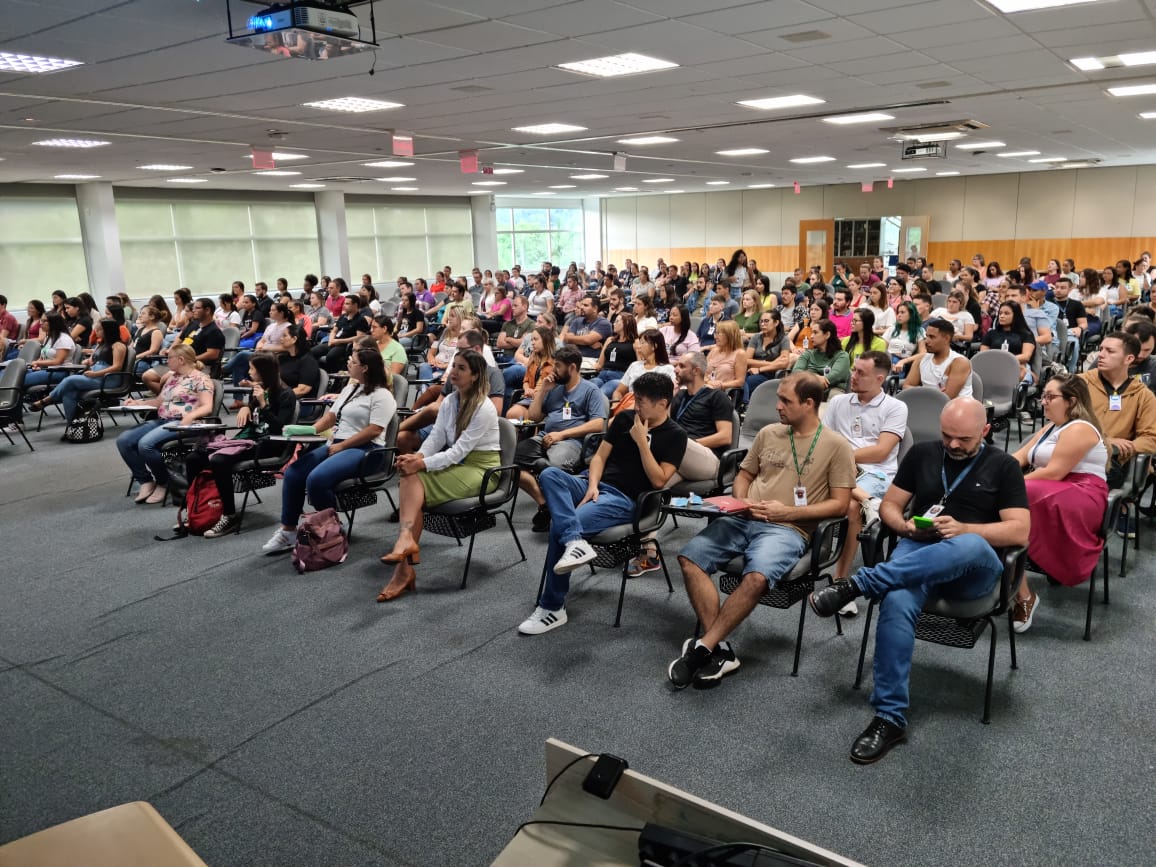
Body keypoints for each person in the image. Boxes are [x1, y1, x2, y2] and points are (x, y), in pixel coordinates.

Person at [809, 398, 1029, 764]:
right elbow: (889, 506)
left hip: (973, 567)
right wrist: (905, 526)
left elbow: (1020, 531)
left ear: (985, 431)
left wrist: (966, 529)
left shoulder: (1003, 466)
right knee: (896, 600)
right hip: (919, 550)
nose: (953, 444)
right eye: (947, 435)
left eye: (964, 439)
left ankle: (860, 584)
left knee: (969, 544)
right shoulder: (924, 453)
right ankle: (889, 717)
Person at [669, 373, 855, 686]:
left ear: (809, 404)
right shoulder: (769, 433)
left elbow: (840, 505)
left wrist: (789, 512)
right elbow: (744, 476)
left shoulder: (836, 446)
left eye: (786, 401)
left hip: (788, 528)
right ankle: (717, 648)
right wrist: (742, 500)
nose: (777, 406)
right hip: (743, 518)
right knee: (690, 558)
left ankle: (702, 649)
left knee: (756, 577)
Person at [516, 372, 688, 635]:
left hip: (625, 500)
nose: (635, 406)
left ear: (662, 403)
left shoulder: (676, 435)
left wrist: (642, 442)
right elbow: (599, 458)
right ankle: (575, 542)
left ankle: (552, 608)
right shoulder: (625, 419)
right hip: (594, 485)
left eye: (641, 401)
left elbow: (658, 481)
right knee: (550, 474)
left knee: (560, 527)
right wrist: (593, 485)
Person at [376, 350, 500, 602]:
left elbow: (458, 451)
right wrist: (417, 457)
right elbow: (436, 438)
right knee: (410, 476)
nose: (454, 371)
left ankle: (404, 562)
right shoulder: (451, 401)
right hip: (459, 464)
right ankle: (405, 552)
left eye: (462, 368)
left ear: (475, 376)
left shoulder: (484, 407)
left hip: (483, 470)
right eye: (454, 366)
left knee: (413, 478)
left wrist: (421, 464)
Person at [261, 349, 397, 554]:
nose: (348, 364)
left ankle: (331, 530)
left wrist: (342, 446)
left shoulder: (382, 395)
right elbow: (332, 416)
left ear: (365, 368)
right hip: (338, 444)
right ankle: (288, 531)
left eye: (353, 362)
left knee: (317, 479)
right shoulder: (350, 389)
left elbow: (374, 430)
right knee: (294, 473)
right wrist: (310, 430)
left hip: (367, 450)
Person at [1008, 374, 1108, 632]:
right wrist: (991, 470)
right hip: (1049, 487)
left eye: (1050, 397)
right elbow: (1018, 457)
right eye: (1043, 396)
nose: (1043, 401)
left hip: (1081, 491)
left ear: (1071, 401)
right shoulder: (1050, 428)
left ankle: (1020, 593)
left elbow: (1054, 472)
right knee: (1002, 503)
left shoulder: (1080, 427)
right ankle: (1022, 593)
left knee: (1011, 498)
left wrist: (1006, 485)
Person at [824, 352, 908, 608]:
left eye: (861, 373)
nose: (853, 376)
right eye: (854, 370)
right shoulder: (838, 402)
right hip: (839, 470)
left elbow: (881, 452)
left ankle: (840, 582)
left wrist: (842, 457)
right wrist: (838, 460)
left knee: (851, 507)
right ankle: (868, 501)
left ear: (880, 379)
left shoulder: (895, 407)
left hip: (875, 473)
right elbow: (824, 440)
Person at [186, 352, 298, 538]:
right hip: (250, 440)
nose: (249, 372)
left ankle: (229, 515)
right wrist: (247, 406)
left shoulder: (286, 395)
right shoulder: (261, 389)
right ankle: (197, 509)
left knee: (219, 461)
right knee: (194, 458)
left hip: (270, 445)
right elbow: (252, 416)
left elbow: (281, 429)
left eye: (252, 369)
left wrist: (263, 405)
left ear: (263, 371)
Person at [515, 345, 609, 533]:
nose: (553, 370)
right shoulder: (554, 389)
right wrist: (542, 391)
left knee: (552, 469)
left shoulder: (590, 390)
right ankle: (544, 504)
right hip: (544, 438)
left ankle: (549, 487)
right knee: (511, 462)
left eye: (558, 366)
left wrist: (562, 434)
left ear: (572, 367)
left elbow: (599, 423)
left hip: (571, 442)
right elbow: (533, 417)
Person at [116, 344, 216, 506]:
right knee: (124, 440)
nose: (166, 361)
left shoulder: (201, 379)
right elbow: (158, 402)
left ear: (181, 360)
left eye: (169, 358)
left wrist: (191, 415)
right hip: (163, 420)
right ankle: (145, 481)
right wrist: (138, 402)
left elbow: (207, 406)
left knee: (145, 444)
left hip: (184, 423)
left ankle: (163, 482)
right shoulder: (172, 378)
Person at [1078, 331, 1156, 489]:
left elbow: (1151, 438)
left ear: (1129, 359)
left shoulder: (1144, 396)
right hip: (1075, 450)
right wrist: (1106, 442)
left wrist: (1121, 449)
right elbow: (1062, 424)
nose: (1101, 355)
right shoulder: (1079, 383)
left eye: (1110, 351)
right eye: (1101, 349)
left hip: (1111, 461)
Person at [30, 319, 129, 429]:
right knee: (69, 392)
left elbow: (117, 367)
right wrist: (89, 362)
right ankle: (73, 427)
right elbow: (96, 360)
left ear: (108, 330)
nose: (96, 331)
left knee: (70, 380)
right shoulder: (102, 344)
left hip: (108, 379)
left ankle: (46, 400)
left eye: (99, 329)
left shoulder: (118, 346)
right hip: (96, 375)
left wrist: (96, 374)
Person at [668, 352, 734, 485]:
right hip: (679, 456)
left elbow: (725, 437)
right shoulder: (680, 395)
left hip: (707, 458)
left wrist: (689, 444)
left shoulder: (717, 397)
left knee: (667, 443)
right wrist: (669, 396)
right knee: (653, 483)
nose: (675, 370)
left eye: (682, 366)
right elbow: (666, 425)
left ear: (696, 371)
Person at [142, 298, 225, 394]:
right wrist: (170, 350)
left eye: (197, 308)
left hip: (198, 365)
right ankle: (168, 397)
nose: (193, 310)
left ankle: (170, 397)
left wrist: (190, 359)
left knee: (166, 378)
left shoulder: (214, 331)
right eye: (193, 308)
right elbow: (179, 339)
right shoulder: (194, 324)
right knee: (147, 377)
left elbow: (212, 354)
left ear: (207, 310)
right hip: (178, 362)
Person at [902, 318, 973, 398]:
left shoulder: (960, 362)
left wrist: (920, 391)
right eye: (926, 336)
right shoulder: (921, 359)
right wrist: (933, 393)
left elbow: (946, 398)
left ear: (946, 338)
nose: (926, 341)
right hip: (927, 403)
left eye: (932, 337)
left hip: (957, 405)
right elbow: (906, 387)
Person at [610, 330, 676, 408]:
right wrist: (616, 404)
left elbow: (670, 397)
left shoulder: (667, 369)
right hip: (629, 406)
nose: (639, 346)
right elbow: (619, 391)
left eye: (642, 343)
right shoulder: (634, 365)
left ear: (654, 346)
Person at [506, 326, 556, 421]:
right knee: (512, 414)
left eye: (535, 339)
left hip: (545, 401)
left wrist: (537, 393)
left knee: (521, 416)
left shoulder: (555, 362)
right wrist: (527, 389)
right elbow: (526, 380)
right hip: (530, 399)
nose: (532, 343)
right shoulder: (533, 359)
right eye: (532, 340)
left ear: (546, 340)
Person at [742, 309, 792, 403]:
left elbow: (784, 363)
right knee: (738, 379)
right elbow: (746, 360)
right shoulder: (756, 337)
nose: (762, 324)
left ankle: (745, 404)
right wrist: (772, 363)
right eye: (761, 321)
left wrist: (760, 369)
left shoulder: (784, 339)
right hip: (751, 371)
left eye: (766, 321)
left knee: (748, 382)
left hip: (769, 374)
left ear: (776, 323)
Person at [980, 301, 1036, 383]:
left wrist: (1005, 360)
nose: (1002, 316)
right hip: (993, 367)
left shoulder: (1026, 334)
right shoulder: (991, 333)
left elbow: (1026, 356)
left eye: (1006, 313)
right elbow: (983, 355)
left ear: (1016, 315)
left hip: (1018, 367)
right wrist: (1000, 362)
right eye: (1000, 313)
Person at [313, 294, 370, 373]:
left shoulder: (361, 320)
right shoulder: (343, 317)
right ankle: (317, 373)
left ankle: (332, 375)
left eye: (347, 304)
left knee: (331, 356)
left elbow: (359, 337)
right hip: (334, 342)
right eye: (344, 303)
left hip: (345, 344)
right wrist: (331, 339)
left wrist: (339, 341)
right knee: (312, 352)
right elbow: (334, 330)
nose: (344, 306)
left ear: (355, 305)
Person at [791, 320, 850, 397]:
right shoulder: (808, 354)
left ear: (827, 335)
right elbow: (795, 372)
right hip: (808, 389)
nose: (811, 336)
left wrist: (807, 375)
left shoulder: (842, 356)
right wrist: (816, 377)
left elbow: (833, 377)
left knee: (836, 396)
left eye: (815, 333)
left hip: (832, 390)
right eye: (812, 332)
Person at [23, 313, 78, 390]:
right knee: (16, 375)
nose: (41, 323)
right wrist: (37, 365)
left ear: (54, 323)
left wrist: (38, 363)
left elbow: (58, 361)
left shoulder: (63, 339)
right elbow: (43, 357)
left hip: (59, 372)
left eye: (44, 321)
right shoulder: (49, 337)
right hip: (46, 370)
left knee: (20, 380)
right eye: (41, 320)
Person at [591, 313, 637, 397]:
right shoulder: (610, 340)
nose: (613, 323)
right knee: (588, 389)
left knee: (601, 394)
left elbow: (640, 364)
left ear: (626, 323)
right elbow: (600, 364)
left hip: (620, 377)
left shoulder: (635, 342)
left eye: (617, 321)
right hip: (602, 374)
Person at [560, 296, 612, 361]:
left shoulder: (603, 323)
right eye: (582, 305)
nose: (581, 307)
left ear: (595, 309)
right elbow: (567, 338)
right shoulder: (577, 321)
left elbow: (587, 340)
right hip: (574, 357)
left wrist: (577, 340)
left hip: (592, 359)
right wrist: (587, 342)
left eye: (585, 305)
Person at [1053, 277, 1088, 372]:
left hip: (1069, 333)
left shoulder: (1076, 304)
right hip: (1053, 333)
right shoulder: (1049, 303)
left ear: (1070, 289)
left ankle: (1070, 372)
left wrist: (1079, 328)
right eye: (1056, 287)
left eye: (1062, 288)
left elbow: (1084, 323)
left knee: (1074, 344)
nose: (1058, 290)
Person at [704, 320, 747, 392]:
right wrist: (708, 382)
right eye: (715, 333)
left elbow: (740, 382)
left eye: (718, 333)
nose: (715, 337)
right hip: (706, 388)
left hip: (722, 392)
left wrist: (721, 385)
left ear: (730, 335)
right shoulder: (714, 350)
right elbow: (702, 374)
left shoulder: (740, 354)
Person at [886, 301, 925, 380]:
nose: (899, 315)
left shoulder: (919, 331)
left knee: (895, 374)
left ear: (911, 314)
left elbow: (923, 353)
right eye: (898, 312)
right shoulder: (892, 329)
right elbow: (882, 349)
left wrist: (903, 361)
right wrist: (888, 362)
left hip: (903, 362)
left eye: (902, 312)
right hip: (887, 360)